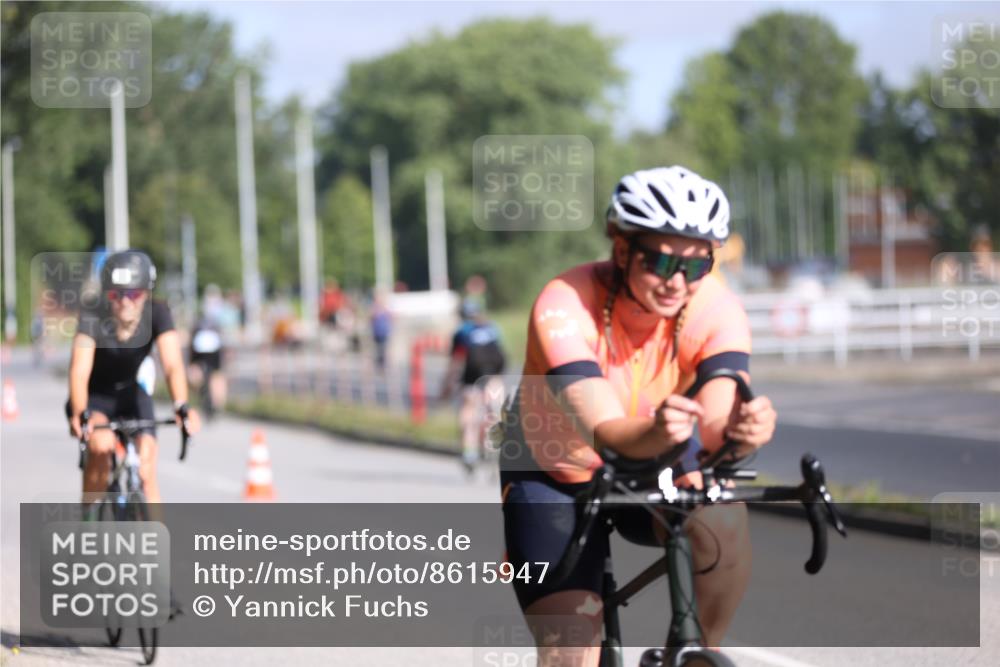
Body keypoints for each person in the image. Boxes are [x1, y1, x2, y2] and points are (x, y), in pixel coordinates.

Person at [498, 166, 777, 666]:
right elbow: (605, 429)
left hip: (654, 454)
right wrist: (656, 430)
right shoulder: (564, 304)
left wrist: (743, 434)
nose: (677, 282)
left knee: (725, 518)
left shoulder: (713, 305)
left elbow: (715, 429)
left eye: (696, 266)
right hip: (552, 470)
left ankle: (695, 655)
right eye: (660, 262)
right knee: (571, 647)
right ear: (622, 249)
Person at [67, 250, 202, 507]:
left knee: (146, 469)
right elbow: (79, 370)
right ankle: (87, 524)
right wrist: (80, 412)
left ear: (146, 294)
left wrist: (181, 406)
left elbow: (172, 364)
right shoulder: (92, 314)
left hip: (133, 394)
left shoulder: (159, 313)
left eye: (133, 294)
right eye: (115, 294)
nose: (124, 301)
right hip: (96, 396)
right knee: (101, 448)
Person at [440, 299, 507, 474]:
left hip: (471, 377)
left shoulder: (462, 332)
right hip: (493, 376)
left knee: (469, 412)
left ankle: (469, 454)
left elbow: (455, 362)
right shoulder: (492, 328)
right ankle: (497, 448)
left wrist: (446, 386)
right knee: (494, 413)